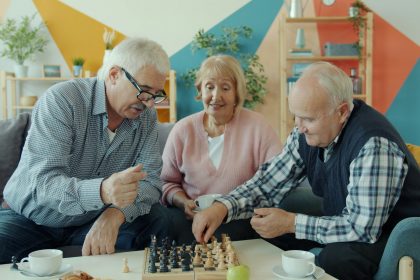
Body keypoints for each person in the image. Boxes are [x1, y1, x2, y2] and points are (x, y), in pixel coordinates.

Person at [192, 62, 420, 279]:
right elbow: (268, 183)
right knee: (267, 233)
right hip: (349, 226)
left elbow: (361, 229)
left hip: (391, 237)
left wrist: (291, 223)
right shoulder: (307, 131)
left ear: (341, 112)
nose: (299, 127)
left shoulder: (373, 145)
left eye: (308, 118)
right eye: (296, 116)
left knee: (336, 259)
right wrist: (222, 207)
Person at [0, 37, 171, 264]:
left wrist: (115, 214)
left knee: (159, 220)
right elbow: (43, 183)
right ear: (113, 75)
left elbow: (150, 184)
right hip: (31, 218)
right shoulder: (63, 101)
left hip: (92, 219)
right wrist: (102, 191)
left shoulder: (146, 116)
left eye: (156, 94)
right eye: (144, 90)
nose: (149, 103)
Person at [160, 54, 282, 243]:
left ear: (237, 94)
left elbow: (276, 181)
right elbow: (166, 183)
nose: (216, 96)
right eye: (210, 87)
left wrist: (225, 210)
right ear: (200, 90)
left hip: (242, 220)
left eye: (225, 88)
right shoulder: (183, 130)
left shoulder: (258, 127)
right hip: (191, 220)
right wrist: (183, 202)